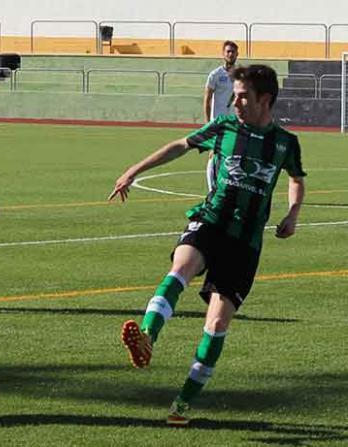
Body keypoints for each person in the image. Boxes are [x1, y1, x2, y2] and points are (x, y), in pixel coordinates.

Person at [109, 65, 305, 426]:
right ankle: (147, 337)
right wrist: (133, 170)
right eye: (235, 95)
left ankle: (182, 404)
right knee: (180, 268)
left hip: (245, 242)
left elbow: (296, 179)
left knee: (216, 324)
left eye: (243, 96)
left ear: (266, 99)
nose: (235, 102)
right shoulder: (225, 127)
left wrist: (293, 214)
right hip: (211, 220)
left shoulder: (285, 143)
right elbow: (180, 145)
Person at [203, 40, 239, 190]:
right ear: (223, 54)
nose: (230, 54)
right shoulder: (215, 75)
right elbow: (206, 101)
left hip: (234, 123)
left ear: (237, 54)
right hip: (217, 122)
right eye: (228, 51)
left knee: (233, 156)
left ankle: (229, 188)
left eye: (233, 51)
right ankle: (212, 190)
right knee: (214, 155)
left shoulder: (240, 75)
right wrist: (207, 126)